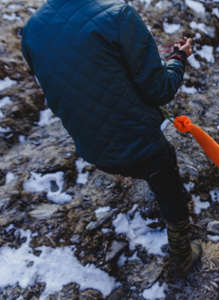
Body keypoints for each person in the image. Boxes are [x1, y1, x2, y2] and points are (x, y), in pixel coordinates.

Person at [21, 0, 201, 276]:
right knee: (166, 174)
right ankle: (182, 254)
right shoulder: (119, 15)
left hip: (90, 148)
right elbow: (159, 90)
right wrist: (178, 59)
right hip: (140, 149)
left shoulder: (31, 30)